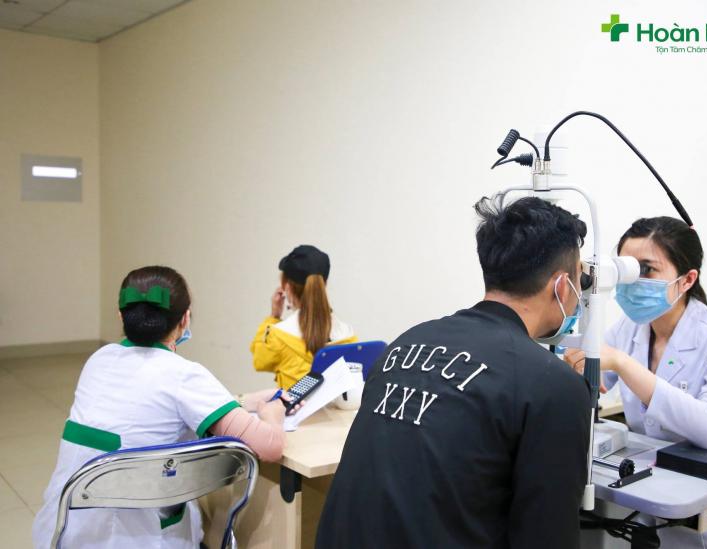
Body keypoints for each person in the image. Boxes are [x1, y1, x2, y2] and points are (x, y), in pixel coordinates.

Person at [316, 196, 592, 549]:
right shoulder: (555, 386)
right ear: (562, 285)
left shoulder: (405, 344)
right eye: (580, 279)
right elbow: (548, 537)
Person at [33, 266, 299, 549]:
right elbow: (270, 446)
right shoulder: (183, 374)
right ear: (185, 319)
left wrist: (244, 401)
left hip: (64, 533)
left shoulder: (98, 360)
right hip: (144, 540)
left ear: (121, 316)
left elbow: (152, 405)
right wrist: (272, 413)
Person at [565, 217, 707, 549]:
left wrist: (623, 364)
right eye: (626, 269)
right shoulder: (629, 329)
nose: (633, 281)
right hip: (661, 504)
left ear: (687, 280)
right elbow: (590, 380)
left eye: (647, 269)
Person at [251, 245, 356, 389]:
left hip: (296, 404)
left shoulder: (279, 335)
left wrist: (273, 317)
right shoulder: (348, 334)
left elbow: (259, 361)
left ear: (287, 287)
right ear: (323, 285)